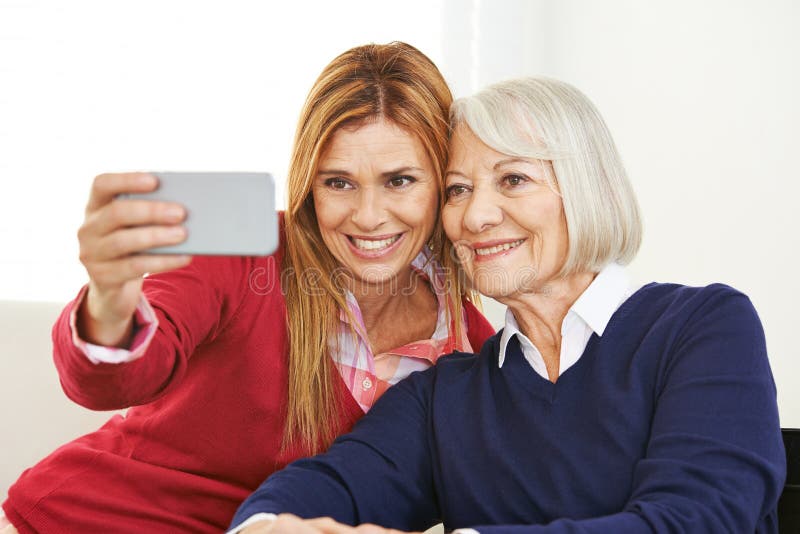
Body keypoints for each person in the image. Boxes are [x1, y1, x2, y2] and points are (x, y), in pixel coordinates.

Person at [229, 77, 786, 533]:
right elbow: (330, 484)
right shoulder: (443, 395)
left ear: (587, 187)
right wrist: (265, 527)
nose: (475, 218)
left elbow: (700, 519)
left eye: (513, 179)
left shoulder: (703, 328)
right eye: (457, 190)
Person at [0, 42, 495, 534]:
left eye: (400, 180)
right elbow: (112, 380)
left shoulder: (468, 345)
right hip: (77, 520)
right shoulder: (249, 254)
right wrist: (109, 297)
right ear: (308, 182)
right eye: (338, 183)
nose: (367, 216)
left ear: (444, 183)